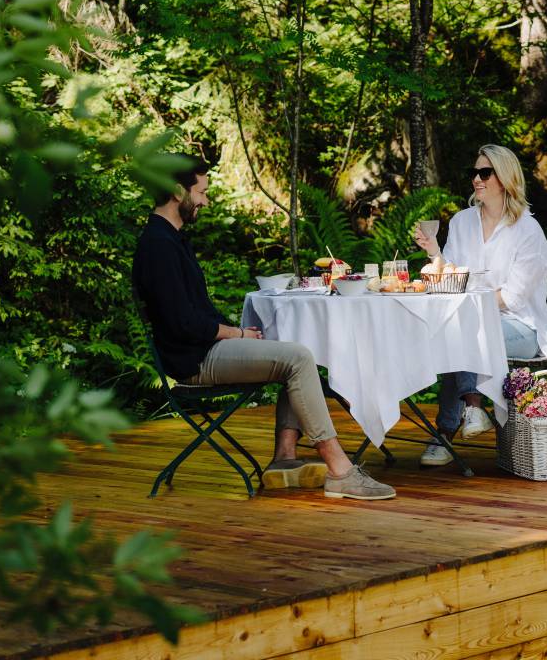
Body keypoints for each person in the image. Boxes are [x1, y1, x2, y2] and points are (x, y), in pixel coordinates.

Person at [132, 156, 395, 500]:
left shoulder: (173, 239)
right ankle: (340, 469)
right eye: (202, 192)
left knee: (294, 348)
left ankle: (285, 459)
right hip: (193, 360)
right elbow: (184, 323)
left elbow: (193, 314)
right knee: (297, 358)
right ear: (177, 191)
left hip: (202, 349)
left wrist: (238, 334)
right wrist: (237, 334)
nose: (205, 201)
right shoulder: (158, 245)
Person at [412, 144, 547, 467]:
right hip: (470, 322)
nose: (477, 179)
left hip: (520, 326)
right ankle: (471, 411)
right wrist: (434, 252)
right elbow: (451, 274)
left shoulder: (528, 231)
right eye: (474, 173)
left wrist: (469, 307)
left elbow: (513, 299)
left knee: (462, 327)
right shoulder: (463, 222)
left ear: (504, 179)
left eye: (485, 173)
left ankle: (454, 424)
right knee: (458, 328)